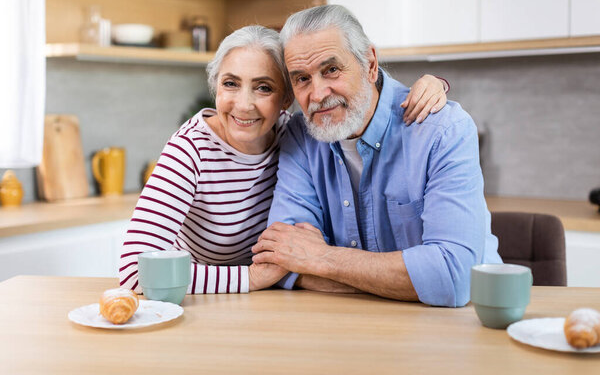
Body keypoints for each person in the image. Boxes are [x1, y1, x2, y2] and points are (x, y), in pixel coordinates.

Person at [119, 25, 449, 295]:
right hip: (196, 302)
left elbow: (359, 94)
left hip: (266, 304)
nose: (243, 104)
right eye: (230, 84)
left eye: (263, 87)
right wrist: (251, 279)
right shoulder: (190, 151)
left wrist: (433, 85)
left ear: (286, 98)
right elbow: (135, 272)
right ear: (215, 87)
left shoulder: (291, 135)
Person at [251, 5, 502, 307]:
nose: (317, 94)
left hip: (460, 325)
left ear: (370, 64)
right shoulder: (299, 137)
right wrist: (405, 280)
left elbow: (453, 277)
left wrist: (320, 258)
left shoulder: (443, 130)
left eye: (331, 70)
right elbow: (281, 263)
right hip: (346, 327)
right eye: (302, 78)